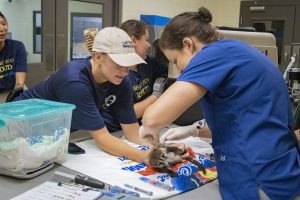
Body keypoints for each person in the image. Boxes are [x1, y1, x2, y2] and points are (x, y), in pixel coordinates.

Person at [139, 7, 300, 200]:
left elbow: (153, 118)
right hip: (279, 171)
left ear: (188, 44)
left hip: (256, 176)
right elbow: (241, 122)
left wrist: (149, 127)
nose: (179, 71)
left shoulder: (212, 55)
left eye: (175, 60)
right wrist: (193, 130)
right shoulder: (236, 51)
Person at [15, 27, 151, 163]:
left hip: (50, 133)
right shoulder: (75, 81)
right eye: (119, 64)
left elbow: (132, 132)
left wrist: (155, 149)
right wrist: (143, 156)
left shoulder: (120, 80)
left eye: (128, 64)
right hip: (20, 128)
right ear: (98, 57)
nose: (125, 71)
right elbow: (103, 137)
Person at [102, 20, 168, 132]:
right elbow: (130, 112)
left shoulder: (147, 63)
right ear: (133, 41)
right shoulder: (118, 75)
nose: (149, 44)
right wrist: (156, 95)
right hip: (116, 131)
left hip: (138, 127)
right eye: (146, 40)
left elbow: (165, 72)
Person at [0, 11, 27, 92]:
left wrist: (12, 100)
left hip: (12, 92)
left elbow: (19, 83)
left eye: (4, 24)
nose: (2, 29)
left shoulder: (17, 47)